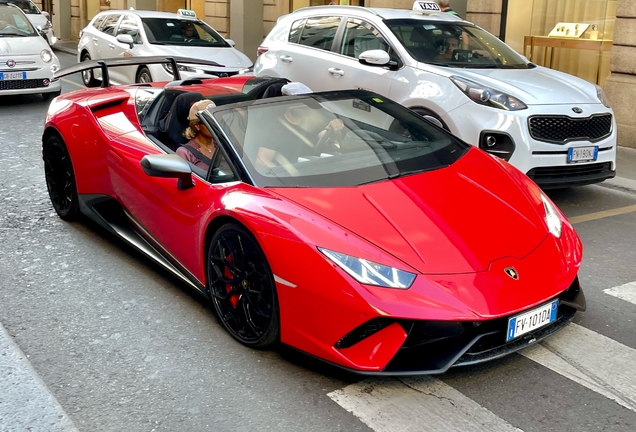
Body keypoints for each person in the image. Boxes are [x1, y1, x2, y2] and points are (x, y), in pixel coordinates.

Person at [176, 99, 217, 169]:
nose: (215, 126)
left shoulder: (222, 145)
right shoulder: (185, 153)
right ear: (197, 126)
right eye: (209, 122)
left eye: (217, 120)